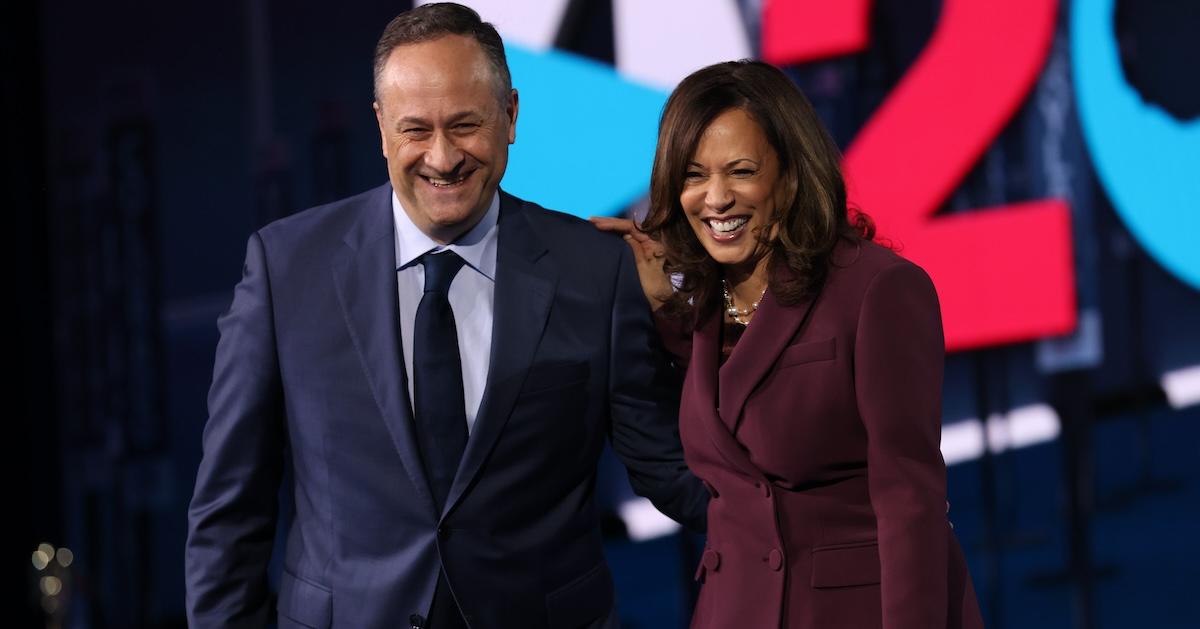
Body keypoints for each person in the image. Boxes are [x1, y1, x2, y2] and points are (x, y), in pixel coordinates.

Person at [184, 4, 707, 628]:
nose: (442, 157)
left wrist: (820, 504)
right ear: (380, 129)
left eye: (465, 125)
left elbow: (672, 472)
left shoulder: (594, 269)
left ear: (510, 116)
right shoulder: (285, 269)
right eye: (415, 130)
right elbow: (229, 512)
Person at [592, 60, 984, 628]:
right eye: (694, 175)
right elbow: (736, 417)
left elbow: (910, 503)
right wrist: (666, 311)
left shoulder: (879, 290)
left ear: (792, 174)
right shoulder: (705, 304)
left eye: (741, 171)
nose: (716, 198)